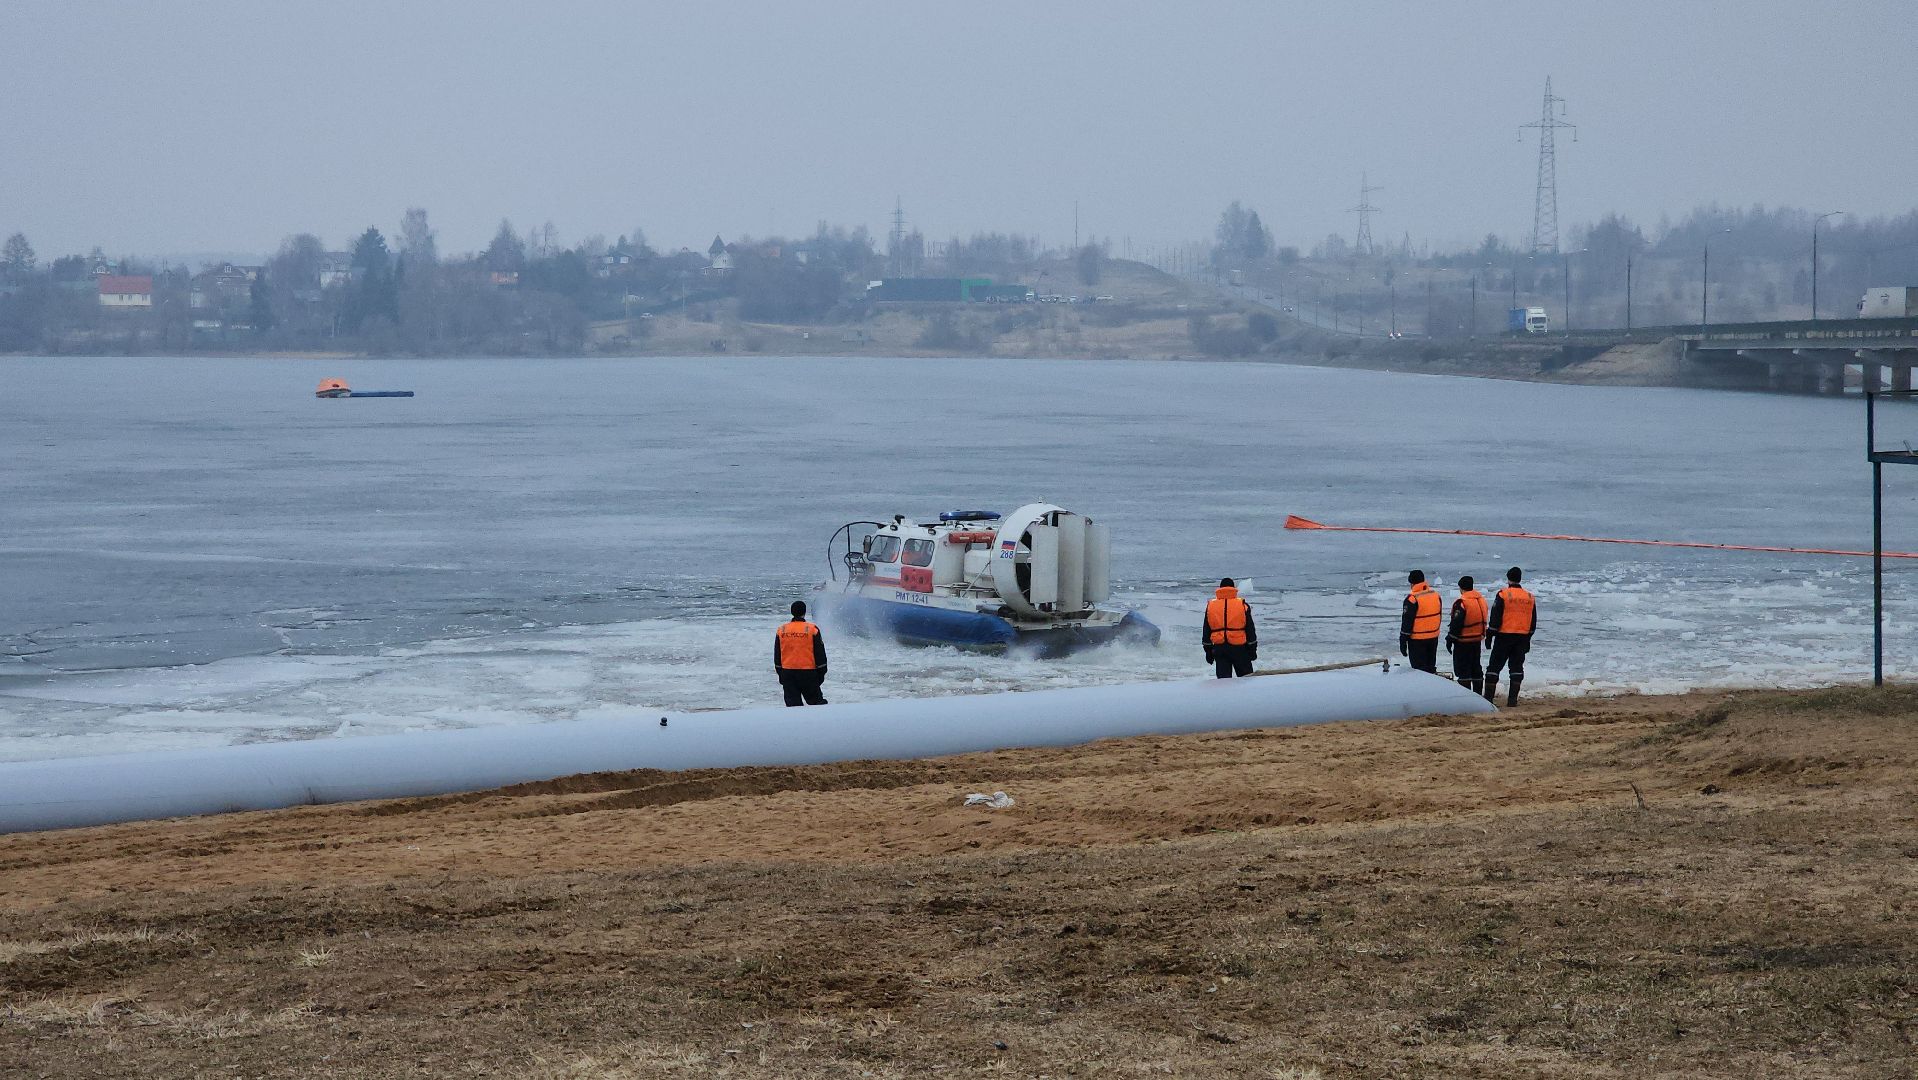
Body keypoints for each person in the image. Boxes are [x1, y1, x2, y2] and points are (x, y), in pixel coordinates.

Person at [1484, 566, 1537, 706]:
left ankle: (1488, 699)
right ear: (1520, 579)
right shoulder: (1530, 597)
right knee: (1516, 668)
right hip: (1522, 637)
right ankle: (1512, 700)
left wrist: (1489, 636)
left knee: (1494, 668)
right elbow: (1533, 621)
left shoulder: (1503, 595)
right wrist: (1528, 638)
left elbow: (1495, 618)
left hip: (1504, 636)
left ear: (1508, 578)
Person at [774, 600, 828, 706]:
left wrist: (780, 673)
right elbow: (820, 654)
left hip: (788, 673)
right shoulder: (812, 629)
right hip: (808, 673)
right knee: (816, 705)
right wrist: (821, 673)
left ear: (792, 612)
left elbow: (777, 654)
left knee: (793, 707)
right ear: (804, 612)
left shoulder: (782, 630)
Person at [1201, 577, 1258, 678]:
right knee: (1247, 680)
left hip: (1220, 649)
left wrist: (1208, 652)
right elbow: (1250, 630)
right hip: (1240, 649)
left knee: (1223, 684)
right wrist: (1252, 650)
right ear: (1234, 588)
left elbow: (1206, 630)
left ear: (1220, 589)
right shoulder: (1242, 605)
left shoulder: (1211, 606)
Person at [1446, 575, 1488, 696]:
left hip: (1463, 641)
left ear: (1461, 588)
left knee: (1463, 669)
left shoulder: (1462, 603)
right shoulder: (1481, 600)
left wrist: (1450, 639)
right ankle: (1478, 695)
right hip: (1477, 639)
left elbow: (1456, 623)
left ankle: (1466, 696)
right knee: (1476, 667)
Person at [1399, 570, 1442, 674]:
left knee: (1419, 670)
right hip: (1433, 638)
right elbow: (1439, 615)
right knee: (1430, 668)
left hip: (1417, 640)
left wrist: (1403, 640)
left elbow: (1407, 622)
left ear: (1412, 583)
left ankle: (1422, 689)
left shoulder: (1412, 599)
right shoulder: (1435, 595)